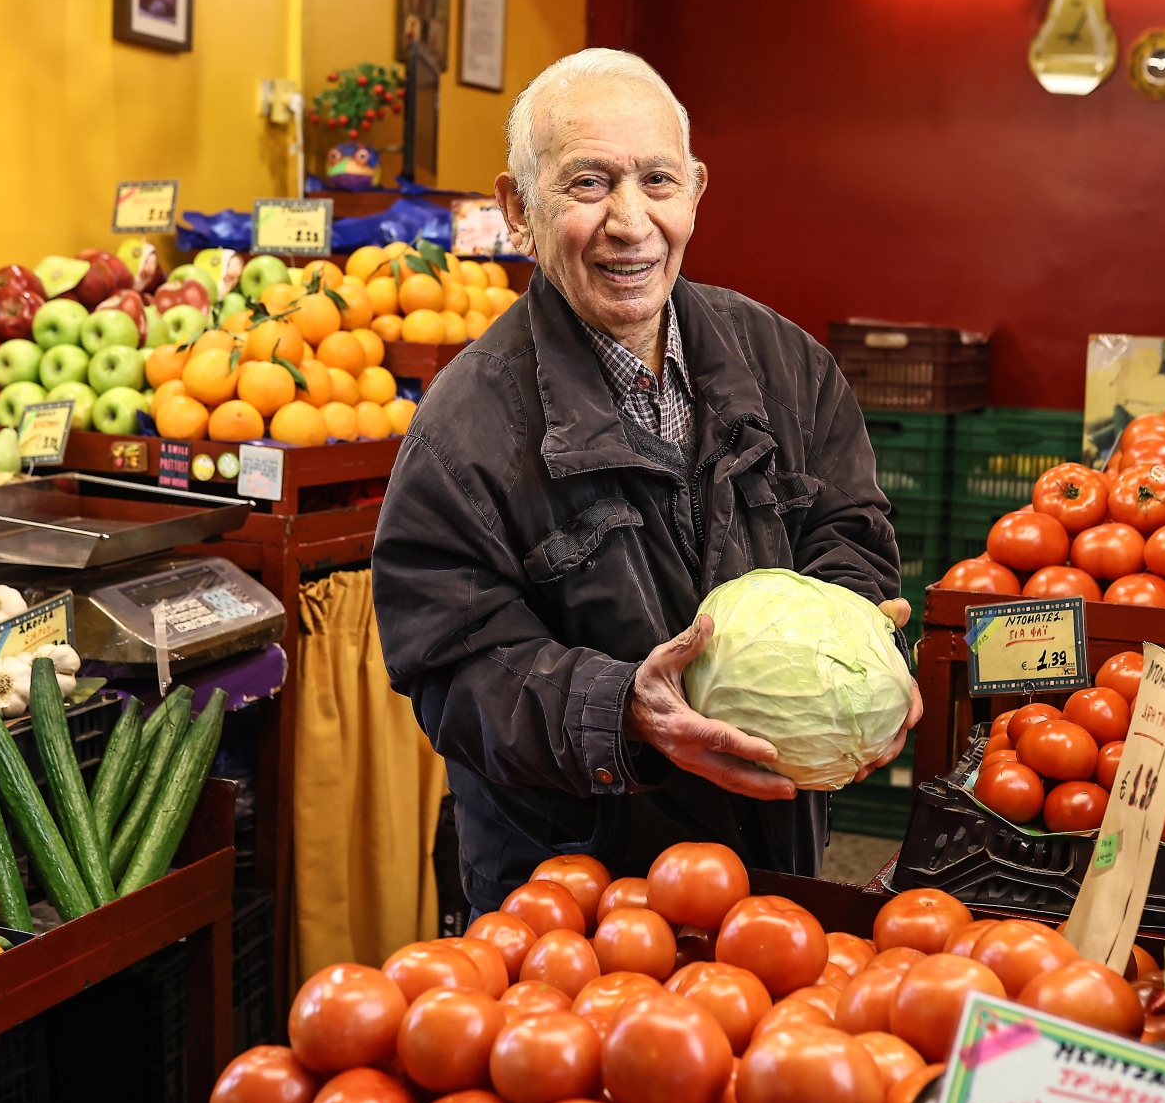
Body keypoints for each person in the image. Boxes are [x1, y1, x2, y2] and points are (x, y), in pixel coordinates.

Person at [371, 48, 919, 913]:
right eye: (588, 184)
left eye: (657, 180)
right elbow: (455, 672)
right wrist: (622, 709)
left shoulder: (787, 364)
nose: (631, 223)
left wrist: (852, 654)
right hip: (575, 892)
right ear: (518, 208)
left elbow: (849, 536)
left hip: (773, 861)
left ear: (695, 191)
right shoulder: (461, 431)